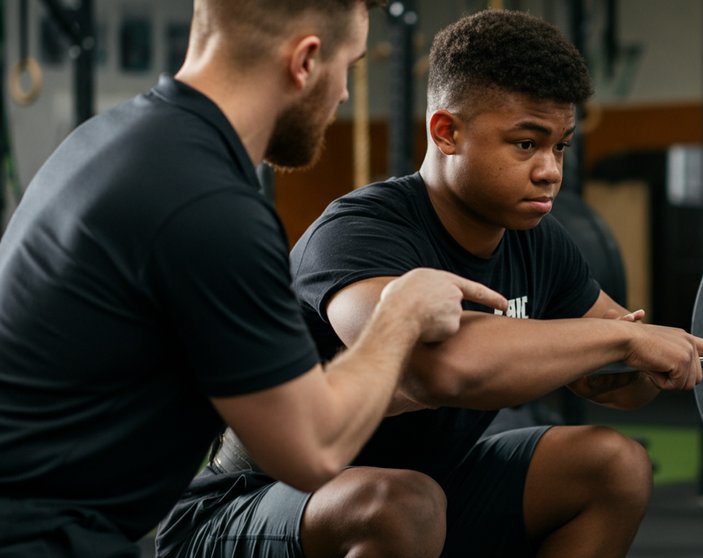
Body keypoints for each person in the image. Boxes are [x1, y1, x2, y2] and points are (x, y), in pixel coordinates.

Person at [158, 9, 703, 558]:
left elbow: (629, 382)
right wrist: (621, 342)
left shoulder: (540, 241)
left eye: (560, 146)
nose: (551, 170)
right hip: (246, 508)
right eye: (526, 144)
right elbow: (440, 366)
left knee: (613, 465)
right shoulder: (360, 232)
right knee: (403, 504)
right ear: (447, 131)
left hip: (425, 491)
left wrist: (629, 369)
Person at [0, 1, 508, 556]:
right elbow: (312, 449)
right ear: (306, 61)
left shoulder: (114, 140)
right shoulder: (210, 205)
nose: (343, 94)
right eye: (349, 66)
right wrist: (401, 312)